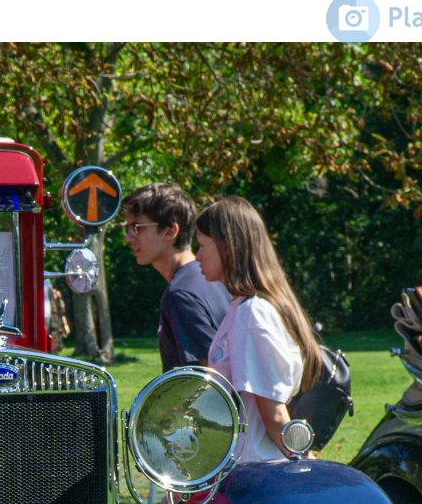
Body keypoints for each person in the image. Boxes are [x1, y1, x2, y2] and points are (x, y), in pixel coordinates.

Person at [194, 196, 322, 462]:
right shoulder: (241, 308)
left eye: (202, 245)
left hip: (257, 473)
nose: (197, 255)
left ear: (227, 247)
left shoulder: (251, 315)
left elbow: (274, 417)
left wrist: (307, 469)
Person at [122, 182, 231, 372]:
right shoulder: (213, 278)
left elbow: (206, 380)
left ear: (171, 231)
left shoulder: (180, 294)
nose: (128, 237)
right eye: (127, 228)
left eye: (137, 227)